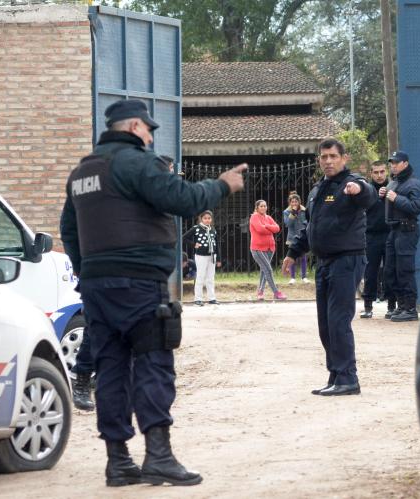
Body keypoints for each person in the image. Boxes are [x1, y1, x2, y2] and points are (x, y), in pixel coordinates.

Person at [60, 99, 246, 487]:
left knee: (110, 369)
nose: (150, 135)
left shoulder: (82, 173)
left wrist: (88, 270)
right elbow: (182, 199)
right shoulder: (135, 163)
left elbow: (70, 230)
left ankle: (118, 462)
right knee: (152, 363)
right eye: (148, 128)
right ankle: (158, 455)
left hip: (97, 287)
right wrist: (222, 185)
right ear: (132, 127)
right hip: (140, 283)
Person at [281, 138, 377, 396]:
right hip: (324, 263)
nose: (328, 161)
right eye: (324, 157)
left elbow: (369, 194)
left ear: (344, 158)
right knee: (325, 324)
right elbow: (309, 227)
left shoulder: (351, 184)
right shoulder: (317, 190)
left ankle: (348, 378)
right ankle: (336, 375)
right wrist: (293, 252)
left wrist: (359, 189)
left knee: (338, 321)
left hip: (347, 260)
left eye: (333, 156)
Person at [380, 151, 420, 322]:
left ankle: (411, 308)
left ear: (405, 164)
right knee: (391, 270)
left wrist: (397, 198)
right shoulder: (393, 183)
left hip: (407, 230)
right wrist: (382, 196)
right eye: (391, 163)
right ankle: (401, 306)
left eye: (396, 163)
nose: (393, 165)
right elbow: (390, 206)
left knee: (405, 270)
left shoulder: (414, 183)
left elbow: (417, 207)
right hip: (394, 230)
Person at [361, 160, 391, 319]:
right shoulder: (367, 190)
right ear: (371, 174)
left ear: (386, 172)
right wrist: (376, 198)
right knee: (370, 271)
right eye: (376, 172)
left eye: (382, 172)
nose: (379, 175)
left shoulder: (394, 187)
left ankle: (392, 305)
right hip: (371, 235)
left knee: (390, 271)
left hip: (389, 234)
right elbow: (361, 208)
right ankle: (368, 306)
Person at [249, 199, 286, 300]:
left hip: (270, 248)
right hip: (257, 248)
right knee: (268, 270)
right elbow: (260, 229)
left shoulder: (268, 217)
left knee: (264, 270)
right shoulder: (254, 217)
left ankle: (260, 292)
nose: (263, 208)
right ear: (257, 207)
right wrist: (270, 229)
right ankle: (276, 292)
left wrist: (267, 226)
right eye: (261, 206)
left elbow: (277, 228)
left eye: (265, 206)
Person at [183, 210, 221, 305]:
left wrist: (219, 259)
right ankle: (198, 298)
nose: (207, 220)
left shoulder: (213, 229)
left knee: (210, 277)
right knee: (200, 276)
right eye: (205, 218)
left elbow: (217, 244)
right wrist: (193, 244)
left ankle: (212, 298)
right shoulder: (196, 228)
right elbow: (184, 237)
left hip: (212, 256)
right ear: (201, 219)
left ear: (211, 219)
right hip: (201, 256)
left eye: (209, 218)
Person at [282, 192, 309, 284]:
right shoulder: (286, 212)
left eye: (296, 201)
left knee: (303, 257)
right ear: (290, 203)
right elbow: (288, 224)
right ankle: (292, 277)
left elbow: (307, 222)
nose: (294, 203)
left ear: (299, 202)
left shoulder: (304, 210)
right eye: (292, 202)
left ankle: (304, 277)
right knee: (292, 257)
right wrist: (293, 213)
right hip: (292, 237)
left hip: (302, 237)